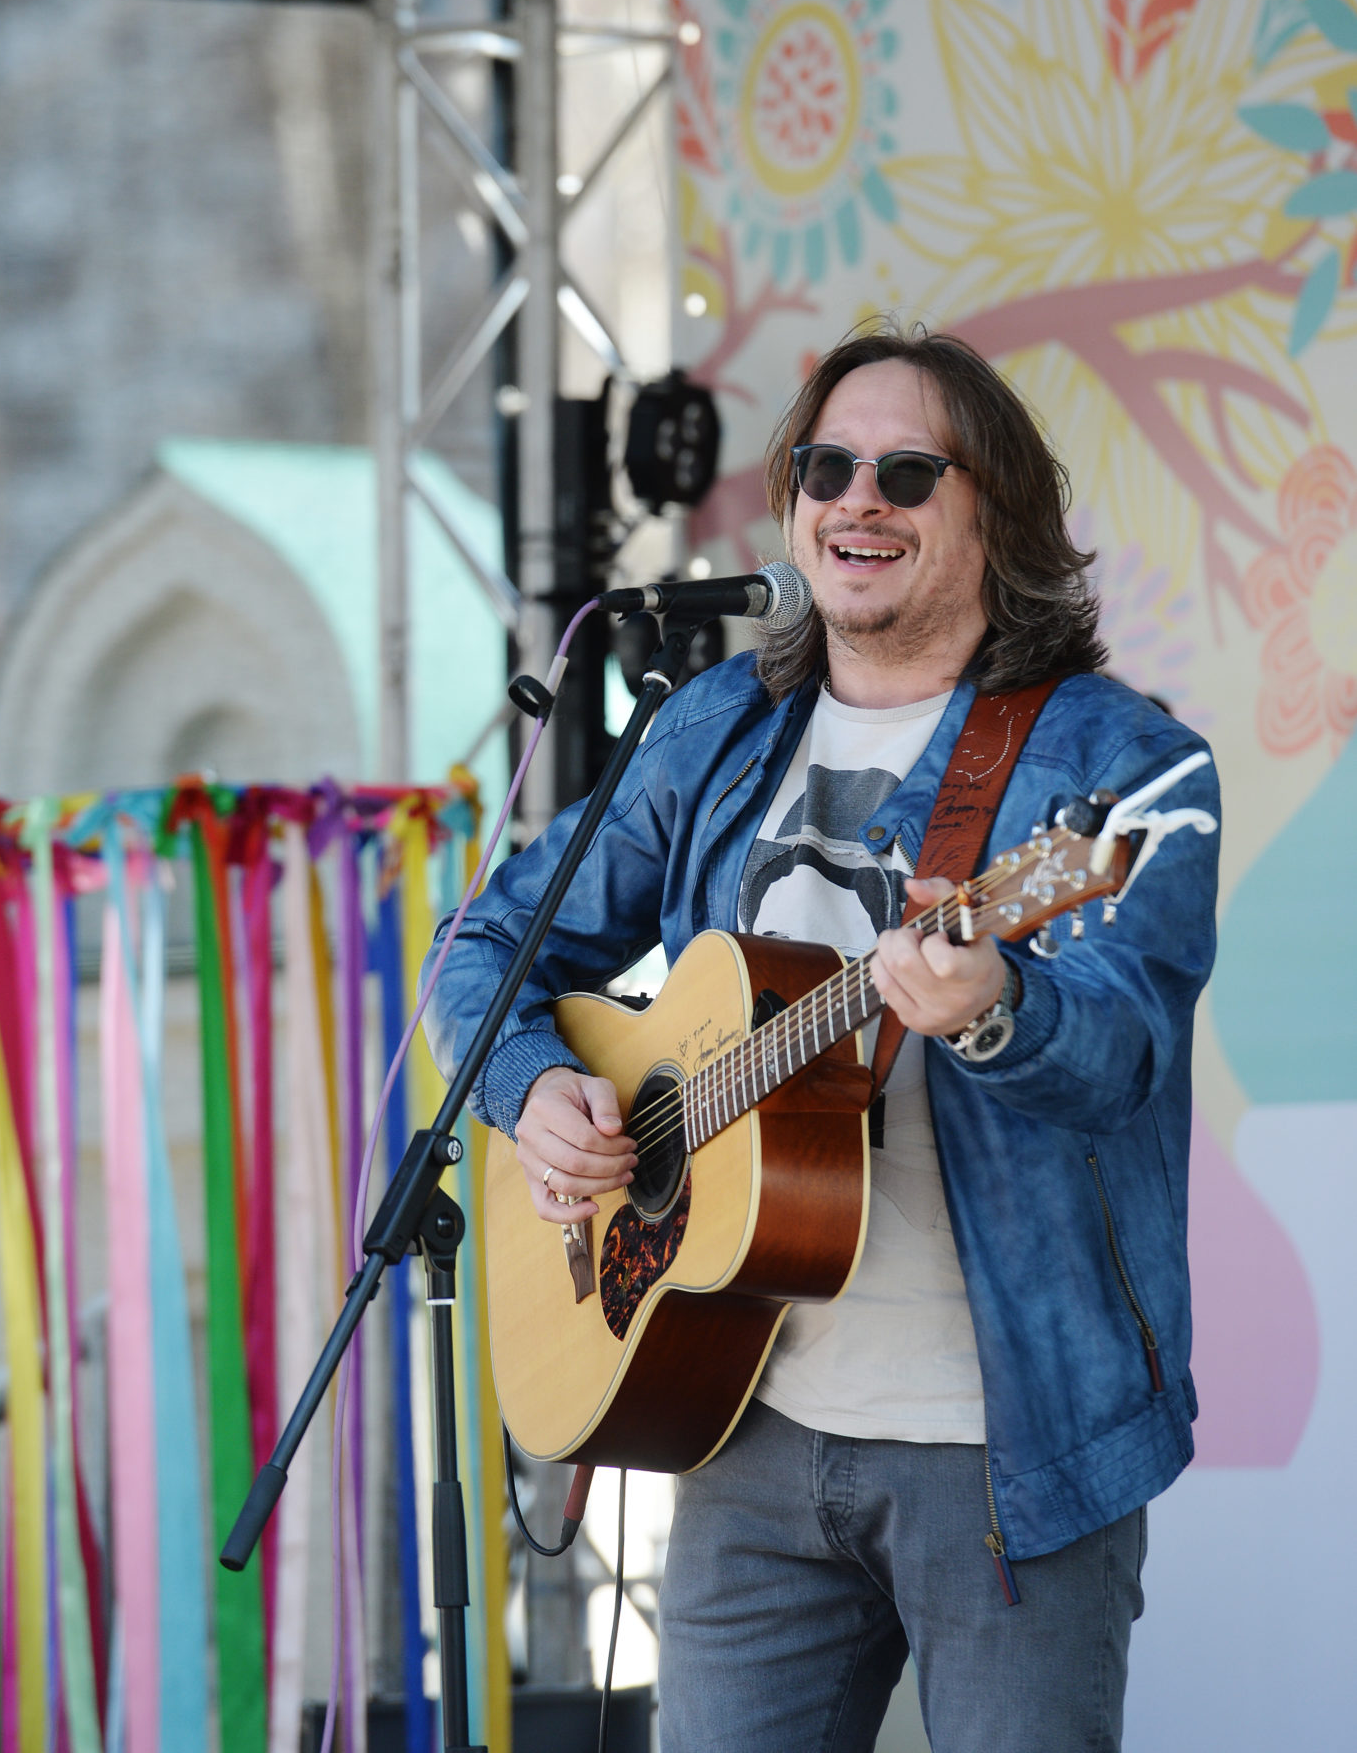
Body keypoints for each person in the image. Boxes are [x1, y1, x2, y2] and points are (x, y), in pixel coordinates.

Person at [422, 325, 1221, 1753]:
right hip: (736, 1419)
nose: (860, 499)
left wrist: (998, 1009)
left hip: (1010, 1457)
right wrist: (534, 1088)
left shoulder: (1121, 767)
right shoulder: (717, 729)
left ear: (998, 517)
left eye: (909, 473)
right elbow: (484, 948)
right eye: (826, 466)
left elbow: (1127, 1056)